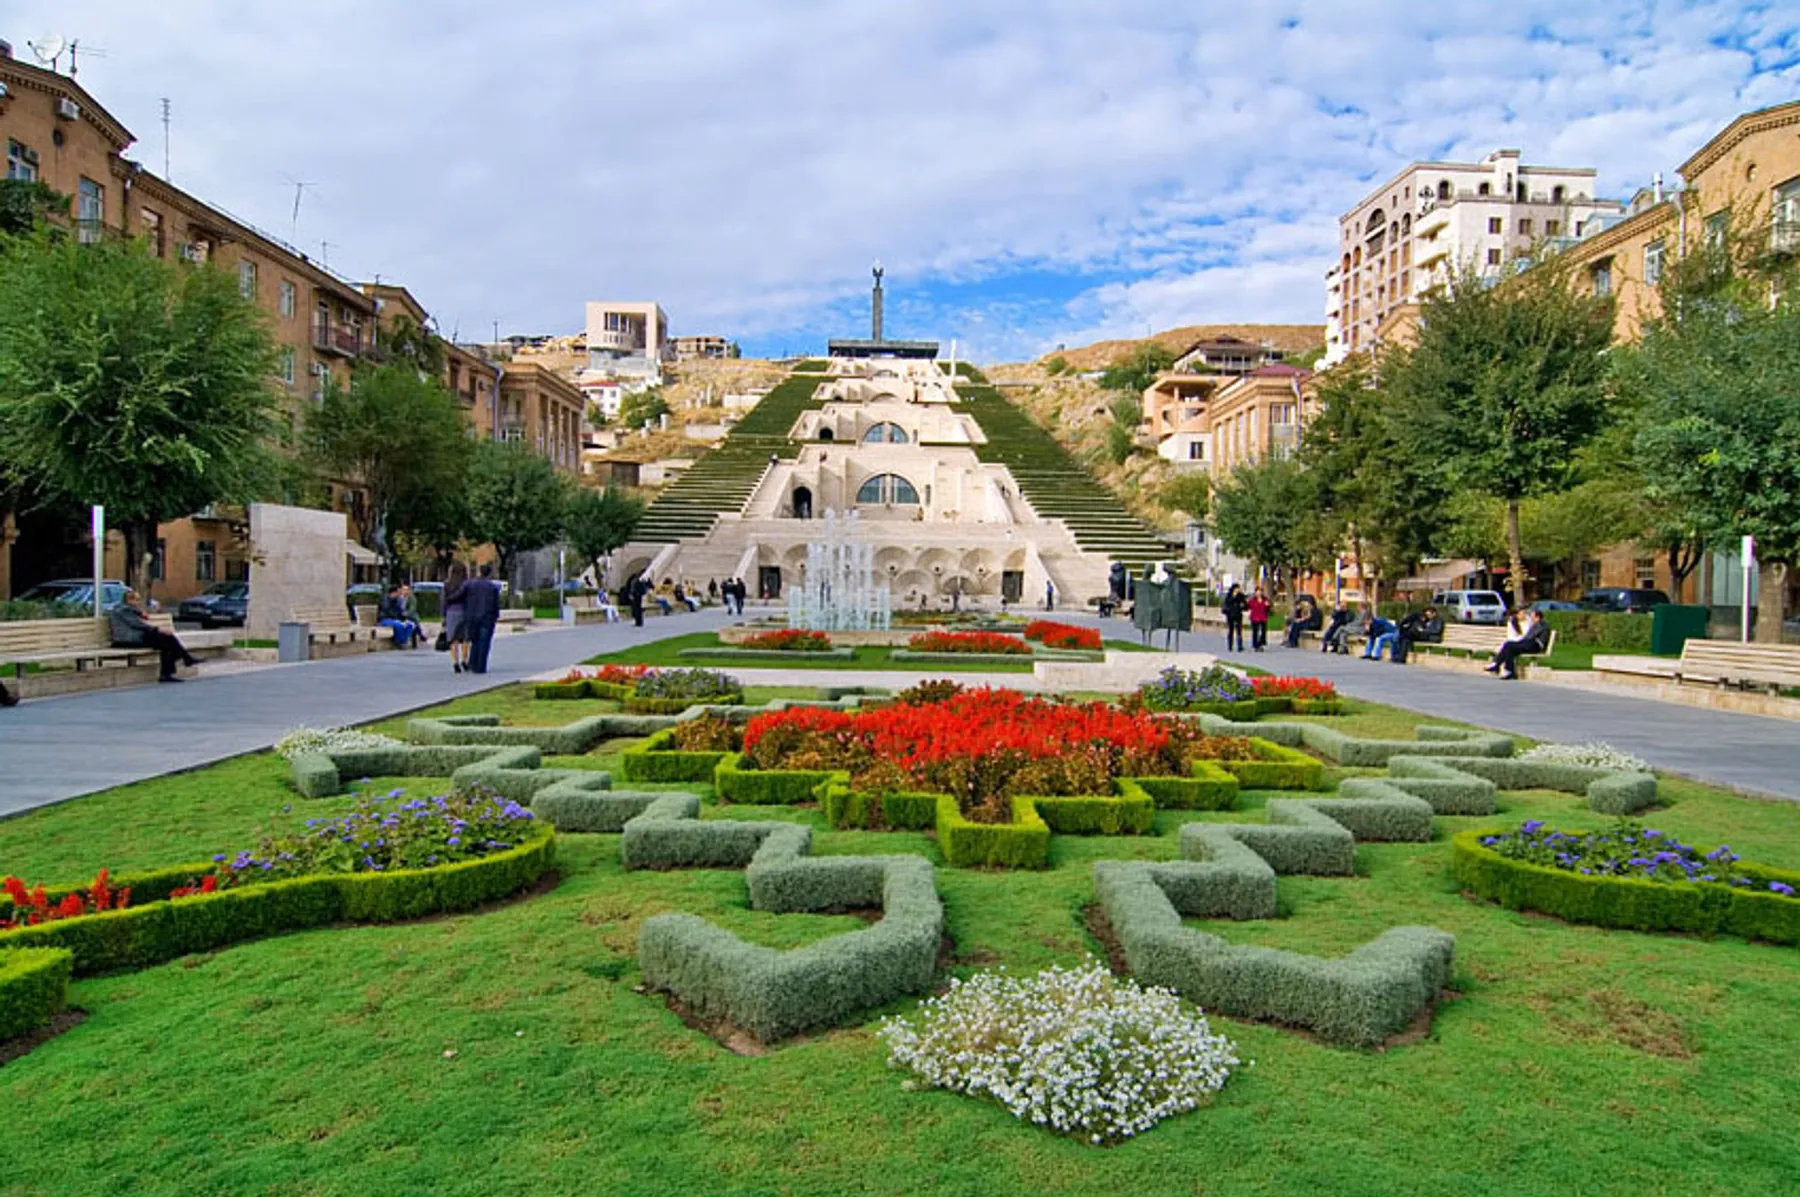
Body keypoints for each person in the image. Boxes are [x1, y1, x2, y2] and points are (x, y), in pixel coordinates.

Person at [109, 588, 199, 683]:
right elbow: (136, 624)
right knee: (166, 640)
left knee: (167, 640)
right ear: (129, 600)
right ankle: (182, 660)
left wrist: (140, 613)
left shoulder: (125, 609)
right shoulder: (123, 610)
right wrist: (157, 629)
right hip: (126, 640)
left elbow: (135, 620)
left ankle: (177, 664)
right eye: (136, 600)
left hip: (136, 637)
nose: (138, 603)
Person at [461, 564, 503, 674]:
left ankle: (473, 663)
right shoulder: (492, 587)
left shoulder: (470, 584)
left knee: (474, 640)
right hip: (487, 617)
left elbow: (461, 596)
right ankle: (480, 666)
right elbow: (496, 604)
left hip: (471, 616)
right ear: (489, 573)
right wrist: (495, 616)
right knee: (484, 642)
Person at [1489, 609, 1549, 680]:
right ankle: (1509, 671)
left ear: (1537, 617)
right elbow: (1528, 637)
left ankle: (1498, 664)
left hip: (1535, 645)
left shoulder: (1541, 625)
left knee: (1509, 645)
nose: (1531, 618)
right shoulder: (1536, 624)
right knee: (1509, 647)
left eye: (1532, 617)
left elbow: (1531, 637)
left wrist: (1522, 640)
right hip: (1529, 644)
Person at [443, 561, 472, 674]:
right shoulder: (467, 584)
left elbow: (444, 601)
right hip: (465, 611)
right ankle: (464, 660)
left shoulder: (447, 584)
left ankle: (455, 662)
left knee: (453, 638)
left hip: (451, 611)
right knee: (465, 638)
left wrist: (444, 615)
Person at [377, 584, 422, 649]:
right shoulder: (385, 600)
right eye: (399, 592)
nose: (400, 594)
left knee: (410, 625)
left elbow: (400, 612)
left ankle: (402, 641)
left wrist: (403, 620)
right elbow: (388, 611)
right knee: (399, 625)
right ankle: (398, 642)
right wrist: (398, 620)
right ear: (394, 592)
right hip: (385, 619)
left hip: (394, 619)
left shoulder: (397, 600)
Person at [1220, 584, 1247, 653]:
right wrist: (1234, 596)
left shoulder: (1241, 596)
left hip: (1238, 614)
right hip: (1230, 615)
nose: (1238, 590)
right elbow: (1227, 603)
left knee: (1239, 631)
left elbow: (1245, 605)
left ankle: (1239, 646)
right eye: (1237, 588)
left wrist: (1243, 606)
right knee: (1231, 630)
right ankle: (1230, 646)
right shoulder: (1229, 595)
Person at [1247, 587, 1272, 652]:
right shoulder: (1252, 600)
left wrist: (1268, 605)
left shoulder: (1265, 599)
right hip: (1254, 618)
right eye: (1257, 592)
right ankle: (1256, 645)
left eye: (1260, 592)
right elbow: (1248, 606)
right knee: (1255, 632)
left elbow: (1268, 608)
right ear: (1255, 593)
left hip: (1263, 617)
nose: (1259, 593)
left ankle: (1260, 644)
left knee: (1263, 632)